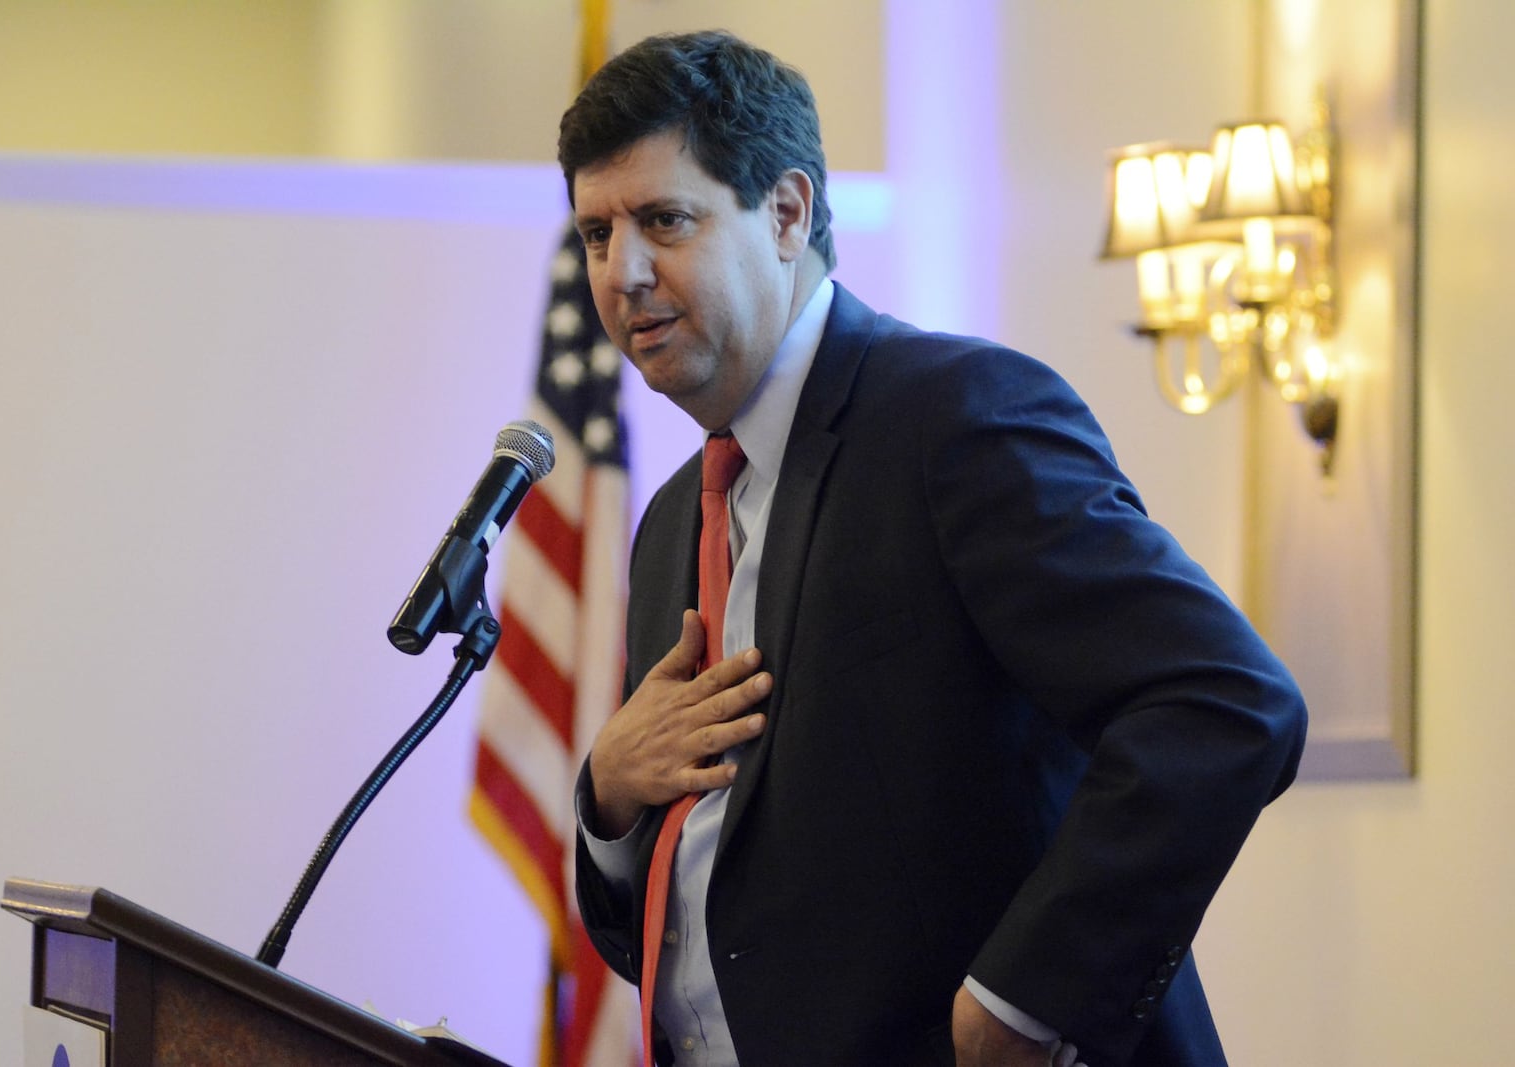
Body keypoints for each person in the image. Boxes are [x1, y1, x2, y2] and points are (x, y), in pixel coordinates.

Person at [559, 30, 1306, 1067]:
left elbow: (1224, 702)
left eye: (662, 220)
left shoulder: (950, 418)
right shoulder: (672, 521)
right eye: (596, 233)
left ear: (786, 211)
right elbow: (696, 937)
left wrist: (1026, 999)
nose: (622, 271)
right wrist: (608, 795)